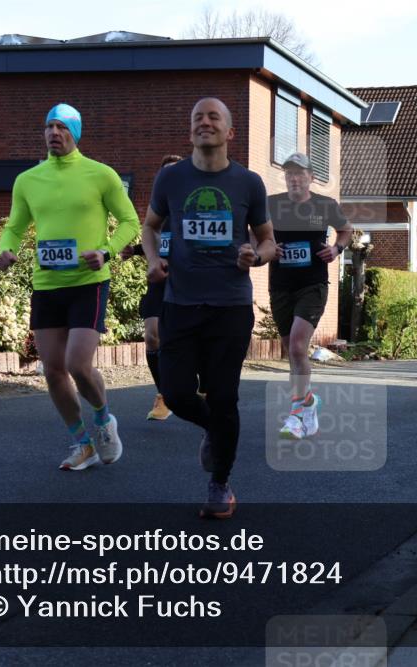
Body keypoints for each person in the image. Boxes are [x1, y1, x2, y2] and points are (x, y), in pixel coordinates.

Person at [142, 97, 276, 519]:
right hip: (180, 303)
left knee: (224, 396)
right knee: (178, 393)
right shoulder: (170, 178)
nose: (204, 121)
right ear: (190, 132)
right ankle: (214, 432)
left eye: (213, 116)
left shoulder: (249, 183)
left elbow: (269, 241)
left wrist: (255, 256)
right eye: (197, 116)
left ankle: (220, 483)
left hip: (230, 307)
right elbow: (149, 226)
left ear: (230, 132)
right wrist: (152, 260)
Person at [0, 103, 140, 471]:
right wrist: (6, 249)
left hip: (87, 282)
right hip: (47, 283)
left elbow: (129, 221)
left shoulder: (100, 175)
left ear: (75, 133)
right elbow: (15, 225)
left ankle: (104, 419)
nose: (53, 133)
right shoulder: (28, 180)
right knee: (53, 369)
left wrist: (106, 252)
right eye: (48, 126)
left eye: (62, 127)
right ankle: (81, 442)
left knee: (78, 363)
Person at [267, 152, 352, 439]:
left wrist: (337, 249)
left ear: (311, 178)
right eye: (289, 174)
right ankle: (309, 403)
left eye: (300, 174)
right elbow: (256, 233)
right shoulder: (272, 204)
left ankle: (295, 416)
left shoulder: (325, 205)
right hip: (280, 285)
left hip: (312, 285)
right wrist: (266, 248)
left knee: (298, 347)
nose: (294, 178)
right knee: (291, 348)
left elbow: (345, 230)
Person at [120, 154, 183, 420]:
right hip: (159, 282)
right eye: (164, 173)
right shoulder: (157, 210)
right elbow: (155, 243)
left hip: (187, 285)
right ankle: (164, 395)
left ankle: (199, 382)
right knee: (152, 335)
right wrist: (133, 250)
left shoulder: (190, 208)